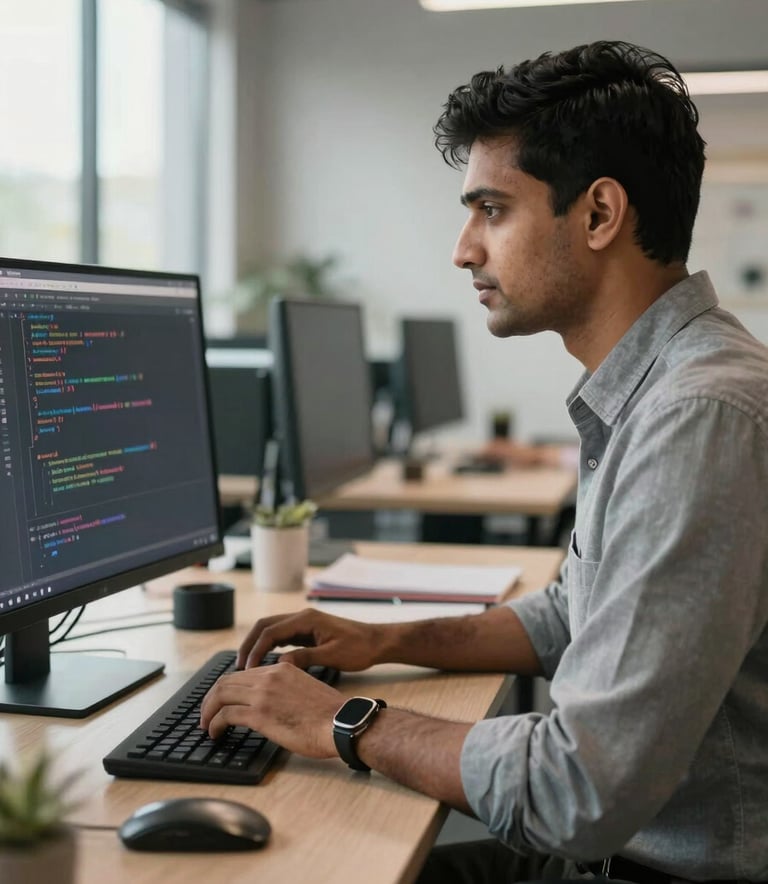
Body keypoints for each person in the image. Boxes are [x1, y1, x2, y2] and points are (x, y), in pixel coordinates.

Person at [200, 40, 768, 882]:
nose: (464, 249)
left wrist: (344, 722)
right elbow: (573, 615)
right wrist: (384, 638)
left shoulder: (697, 417)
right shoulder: (660, 389)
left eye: (492, 210)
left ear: (599, 214)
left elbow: (580, 789)